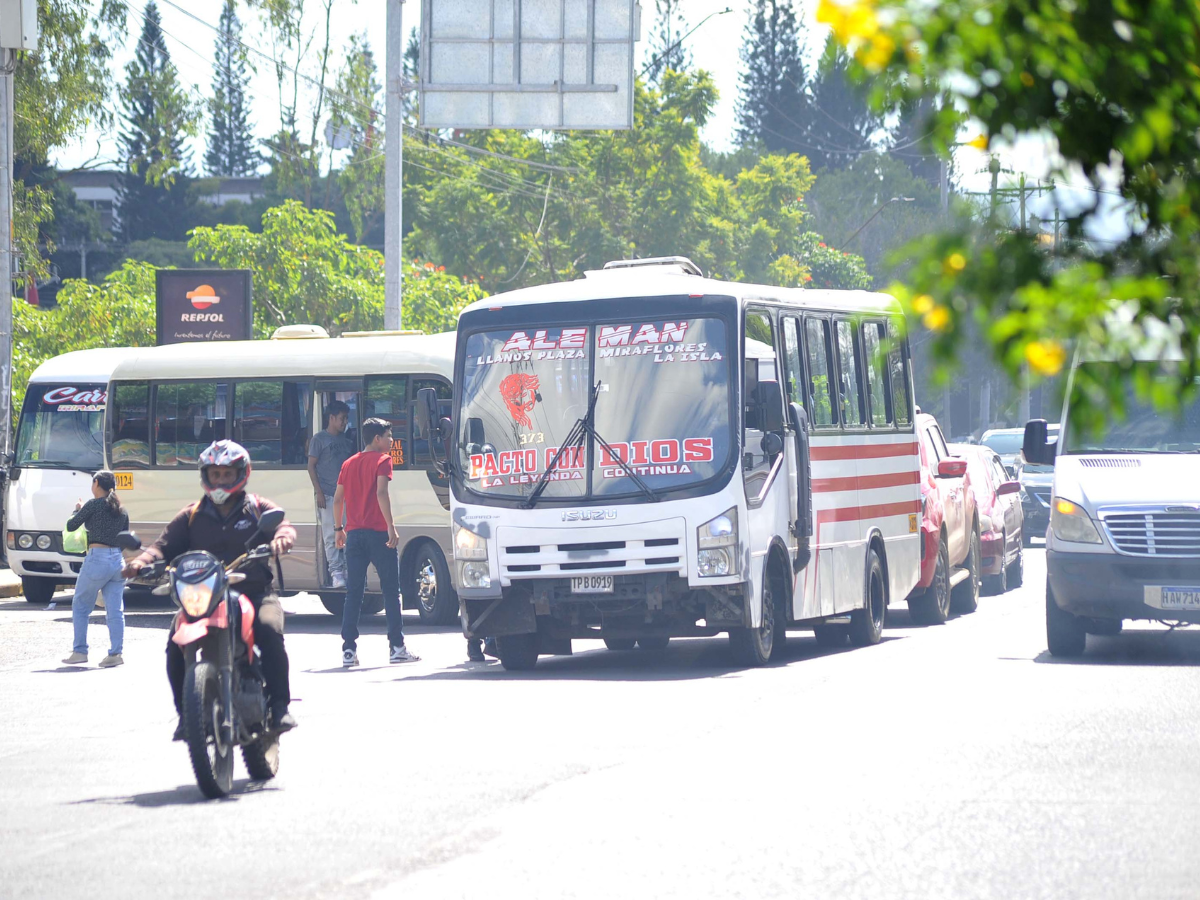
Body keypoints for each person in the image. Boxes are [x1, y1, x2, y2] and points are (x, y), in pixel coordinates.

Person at [122, 440, 298, 739]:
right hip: (205, 596)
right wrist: (140, 562)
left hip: (254, 592)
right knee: (175, 643)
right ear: (205, 475)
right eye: (214, 474)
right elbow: (162, 546)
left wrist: (282, 539)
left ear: (242, 473)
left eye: (227, 474)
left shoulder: (256, 508)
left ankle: (280, 706)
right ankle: (186, 715)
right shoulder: (190, 515)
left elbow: (284, 525)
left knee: (269, 629)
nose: (220, 481)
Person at [333, 417, 420, 667]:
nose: (392, 441)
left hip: (355, 535)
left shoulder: (348, 463)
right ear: (376, 439)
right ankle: (396, 647)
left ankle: (348, 650)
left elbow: (338, 499)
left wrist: (339, 528)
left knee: (354, 593)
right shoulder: (383, 461)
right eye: (388, 436)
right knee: (391, 591)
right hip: (379, 534)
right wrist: (391, 525)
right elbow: (381, 492)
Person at [61, 471, 129, 668]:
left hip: (96, 558)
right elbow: (125, 537)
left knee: (81, 605)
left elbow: (72, 526)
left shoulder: (93, 505)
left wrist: (77, 510)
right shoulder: (122, 509)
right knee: (115, 610)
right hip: (117, 560)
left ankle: (80, 651)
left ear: (96, 483)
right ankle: (116, 653)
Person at [307, 399, 352, 588]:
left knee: (348, 534)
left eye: (346, 419)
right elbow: (311, 466)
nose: (344, 423)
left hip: (346, 496)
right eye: (342, 419)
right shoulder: (319, 439)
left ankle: (350, 570)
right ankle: (336, 572)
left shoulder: (346, 440)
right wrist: (318, 492)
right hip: (327, 495)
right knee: (330, 535)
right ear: (331, 418)